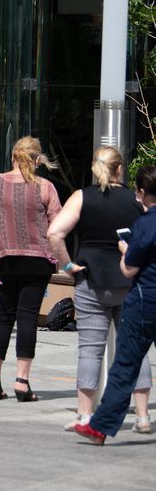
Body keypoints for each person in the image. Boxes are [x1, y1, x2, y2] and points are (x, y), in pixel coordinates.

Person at [46, 147, 152, 433]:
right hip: (131, 282)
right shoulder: (136, 200)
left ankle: (84, 415)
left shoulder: (82, 197)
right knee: (136, 349)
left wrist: (67, 266)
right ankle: (142, 417)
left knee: (90, 350)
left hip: (91, 280)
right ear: (120, 170)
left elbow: (54, 233)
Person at [75, 166, 156, 445]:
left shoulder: (145, 225)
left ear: (143, 193)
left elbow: (130, 269)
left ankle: (100, 427)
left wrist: (125, 251)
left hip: (145, 300)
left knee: (126, 362)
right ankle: (137, 417)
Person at [0, 136, 61, 402]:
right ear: (37, 160)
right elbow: (57, 223)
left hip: (3, 257)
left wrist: (1, 236)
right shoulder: (45, 187)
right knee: (27, 318)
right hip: (37, 260)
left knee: (2, 316)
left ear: (13, 157)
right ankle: (22, 381)